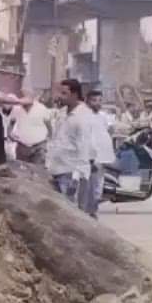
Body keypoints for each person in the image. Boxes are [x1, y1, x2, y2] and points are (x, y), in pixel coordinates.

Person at [45, 79, 92, 204]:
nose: (60, 96)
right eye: (60, 92)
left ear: (75, 94)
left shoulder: (83, 116)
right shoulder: (62, 113)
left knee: (70, 213)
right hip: (55, 170)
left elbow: (85, 148)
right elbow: (56, 140)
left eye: (64, 93)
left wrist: (76, 177)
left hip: (70, 173)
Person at [83, 90, 117, 218]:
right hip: (90, 156)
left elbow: (110, 130)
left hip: (103, 156)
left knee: (98, 185)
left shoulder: (103, 116)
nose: (97, 103)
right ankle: (88, 211)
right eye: (94, 100)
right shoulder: (85, 116)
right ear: (87, 101)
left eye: (99, 100)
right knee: (89, 185)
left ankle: (93, 210)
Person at [9, 91, 51, 164]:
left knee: (38, 171)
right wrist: (9, 133)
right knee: (22, 171)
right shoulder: (16, 109)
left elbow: (49, 125)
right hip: (22, 146)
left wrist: (48, 139)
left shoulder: (42, 108)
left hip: (38, 147)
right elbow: (11, 123)